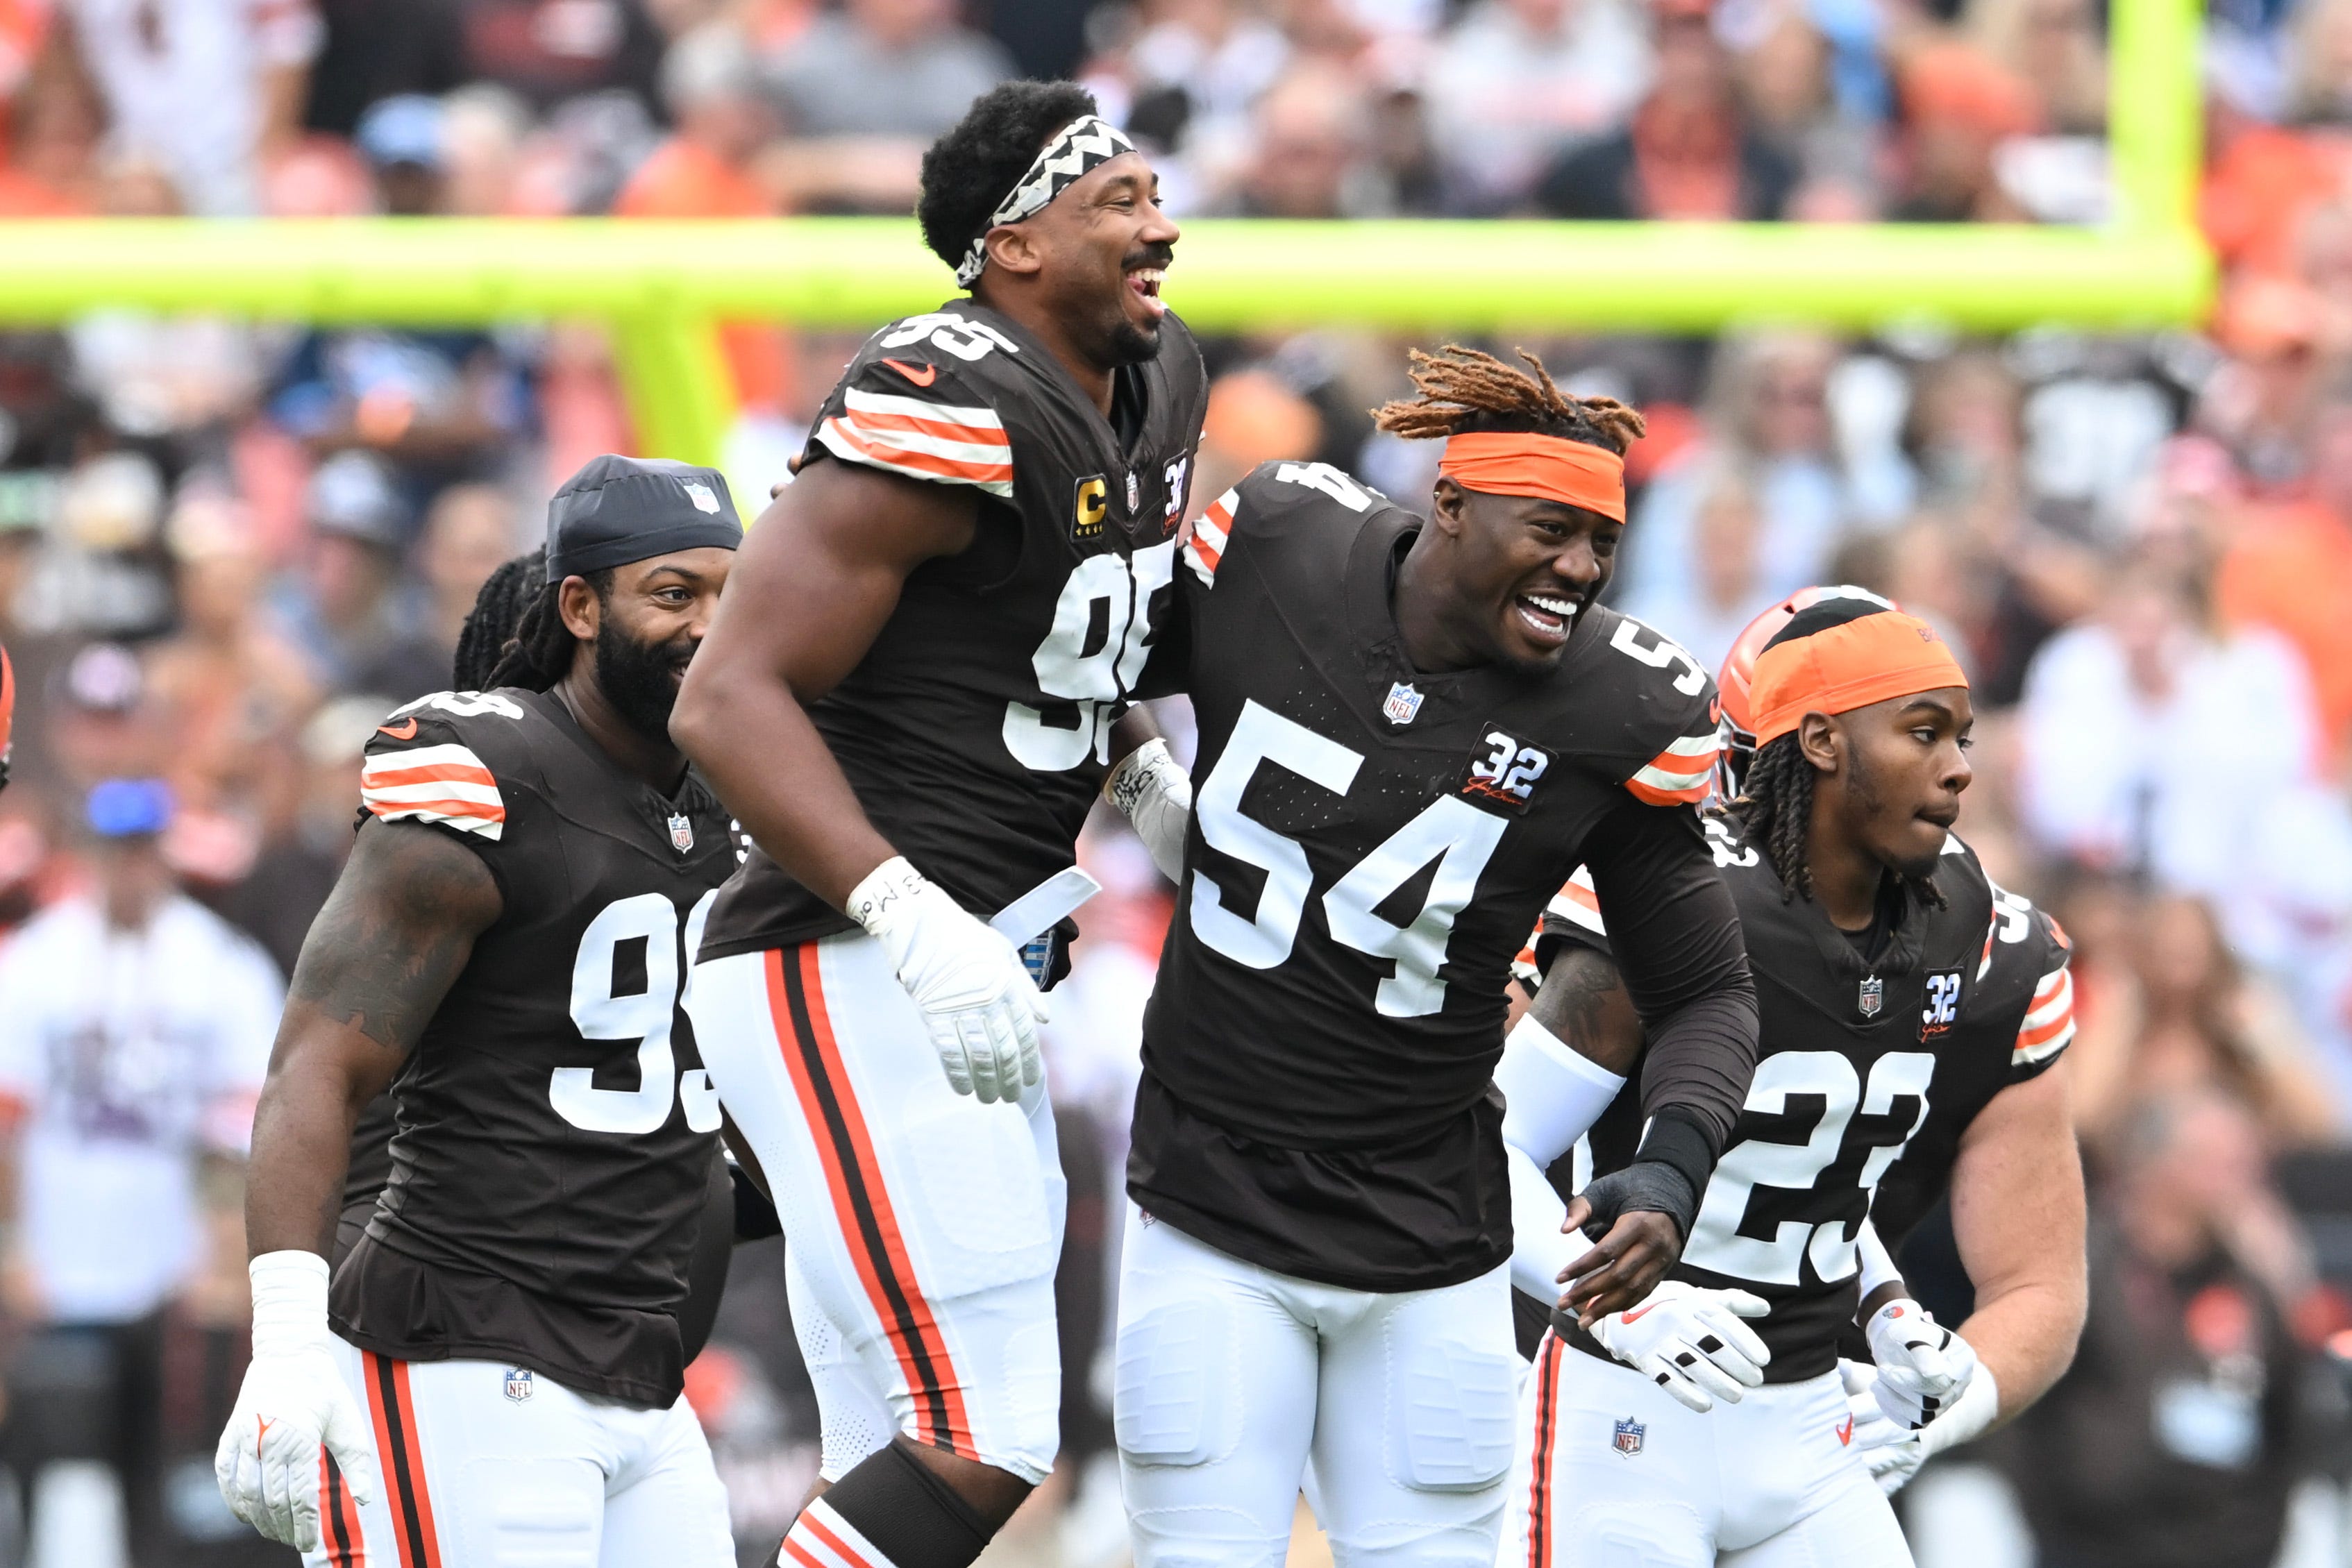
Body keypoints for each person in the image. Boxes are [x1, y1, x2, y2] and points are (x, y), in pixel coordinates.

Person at [1104, 345, 1762, 1567]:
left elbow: (1705, 987)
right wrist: (1145, 775)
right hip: (1211, 1206)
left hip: (1428, 1242)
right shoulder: (1280, 543)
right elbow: (1074, 664)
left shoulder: (1619, 704)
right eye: (1549, 528)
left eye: (1601, 541)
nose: (1579, 567)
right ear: (1448, 504)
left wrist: (1671, 1166)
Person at [672, 80, 1205, 1568]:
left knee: (895, 1446)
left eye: (1154, 193)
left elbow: (1045, 648)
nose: (1158, 226)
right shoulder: (945, 384)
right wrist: (901, 910)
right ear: (1013, 244)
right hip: (843, 955)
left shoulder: (1156, 384)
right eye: (1115, 204)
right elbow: (726, 699)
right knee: (985, 1432)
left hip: (979, 962)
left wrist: (1140, 778)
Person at [212, 455, 744, 1565]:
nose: (709, 624)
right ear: (582, 607)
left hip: (641, 1367)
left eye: (729, 591)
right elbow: (316, 1066)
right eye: (675, 592)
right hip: (466, 1347)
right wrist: (288, 1343)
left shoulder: (729, 785)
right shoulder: (487, 769)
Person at [1507, 590, 2088, 1566]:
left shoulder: (1962, 918)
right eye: (1923, 731)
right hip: (1627, 1402)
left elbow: (1806, 1164)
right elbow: (1490, 1143)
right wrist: (1627, 1299)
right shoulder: (1680, 893)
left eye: (1959, 734)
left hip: (1813, 1421)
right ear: (1813, 743)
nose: (1959, 768)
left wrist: (1888, 1306)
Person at [0, 777, 283, 1560]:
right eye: (113, 849)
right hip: (61, 1258)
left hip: (172, 1264)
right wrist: (11, 1249)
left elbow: (255, 1124)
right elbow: (7, 1121)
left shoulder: (219, 961)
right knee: (58, 1463)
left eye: (141, 850)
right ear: (90, 853)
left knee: (161, 1475)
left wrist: (222, 1249)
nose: (129, 868)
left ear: (162, 853)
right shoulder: (36, 958)